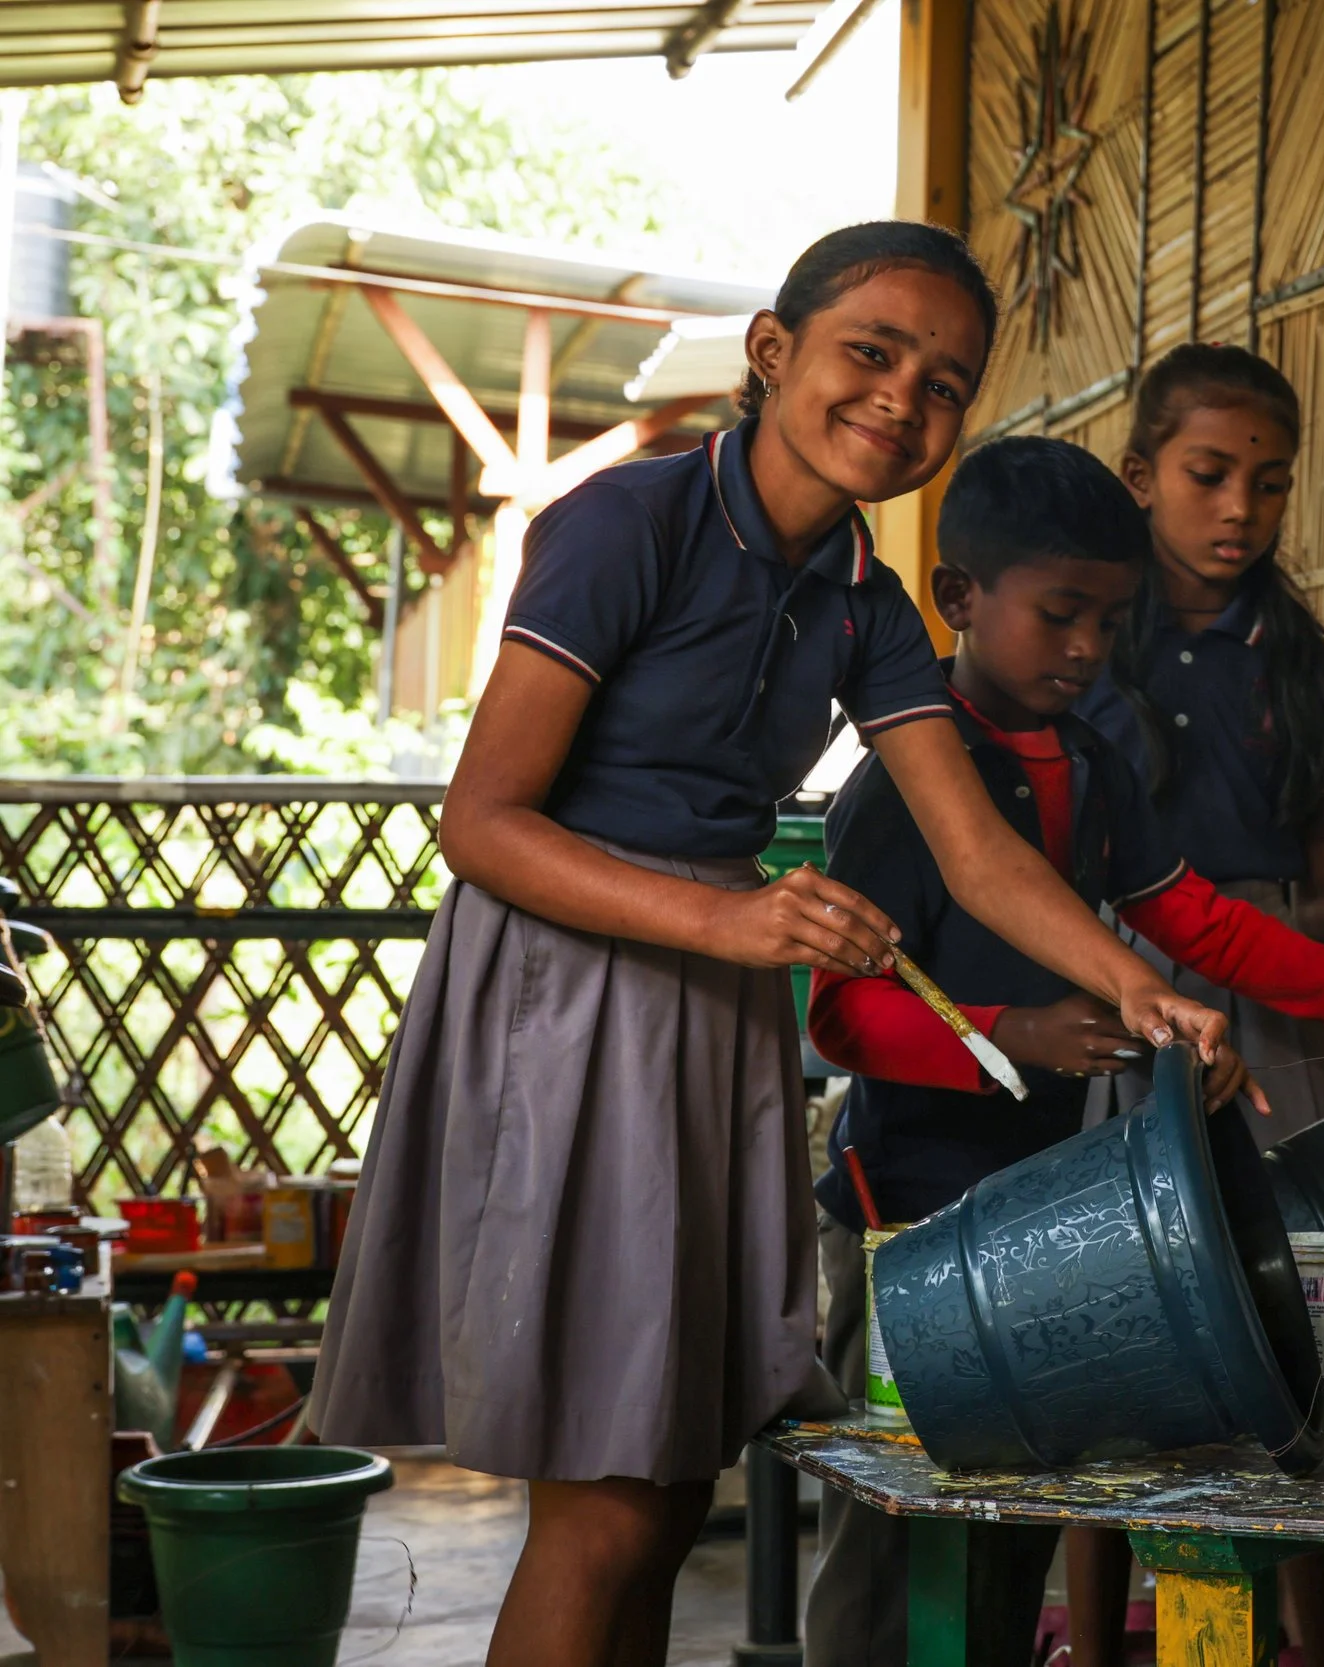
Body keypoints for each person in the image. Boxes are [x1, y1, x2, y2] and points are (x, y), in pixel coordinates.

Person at [304, 224, 1235, 1667]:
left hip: (707, 1010)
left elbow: (979, 856)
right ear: (770, 350)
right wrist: (731, 917)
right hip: (563, 986)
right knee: (604, 1509)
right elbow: (482, 822)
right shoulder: (631, 524)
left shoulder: (863, 600)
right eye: (872, 352)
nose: (902, 400)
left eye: (945, 383)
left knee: (668, 1495)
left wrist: (1145, 988)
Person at [799, 434, 1324, 1667]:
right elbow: (837, 1015)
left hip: (1043, 1214)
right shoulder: (903, 781)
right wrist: (1021, 1033)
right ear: (957, 599)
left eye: (1108, 621)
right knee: (899, 1519)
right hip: (905, 1213)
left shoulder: (1094, 761)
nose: (1088, 650)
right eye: (1059, 616)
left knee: (1010, 1511)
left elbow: (1192, 915)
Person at [1076, 343, 1324, 1145]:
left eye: (1269, 485)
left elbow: (1313, 902)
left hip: (1269, 994)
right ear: (1139, 476)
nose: (1240, 508)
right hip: (1106, 976)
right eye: (1208, 475)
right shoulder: (1084, 646)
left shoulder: (1308, 671)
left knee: (1275, 1220)